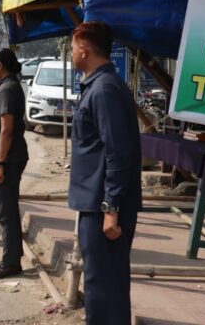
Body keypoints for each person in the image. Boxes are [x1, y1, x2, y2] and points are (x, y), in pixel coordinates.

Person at [68, 22, 141, 325]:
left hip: (104, 207)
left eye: (72, 47)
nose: (71, 53)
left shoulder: (105, 89)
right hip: (95, 203)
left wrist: (111, 207)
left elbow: (118, 153)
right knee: (102, 285)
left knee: (104, 287)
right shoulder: (99, 86)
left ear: (84, 49)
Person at [0, 48, 28, 279]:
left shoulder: (8, 89)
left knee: (6, 212)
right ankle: (11, 255)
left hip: (8, 160)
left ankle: (10, 262)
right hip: (2, 159)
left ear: (0, 65)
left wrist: (0, 162)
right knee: (7, 208)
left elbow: (7, 130)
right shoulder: (4, 87)